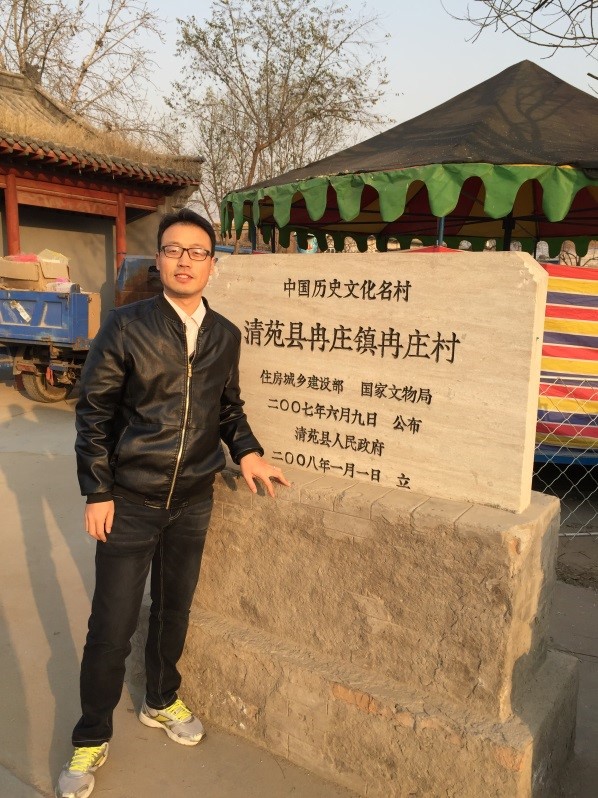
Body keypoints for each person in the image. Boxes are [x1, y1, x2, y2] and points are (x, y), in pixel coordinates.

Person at [55, 208, 290, 798]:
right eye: (173, 250)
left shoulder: (224, 335)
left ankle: (160, 699)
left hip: (193, 501)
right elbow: (94, 413)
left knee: (173, 611)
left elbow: (228, 409)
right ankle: (91, 734)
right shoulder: (126, 326)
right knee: (111, 626)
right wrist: (97, 490)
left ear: (213, 264)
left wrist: (249, 453)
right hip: (130, 502)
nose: (185, 261)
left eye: (197, 252)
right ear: (158, 260)